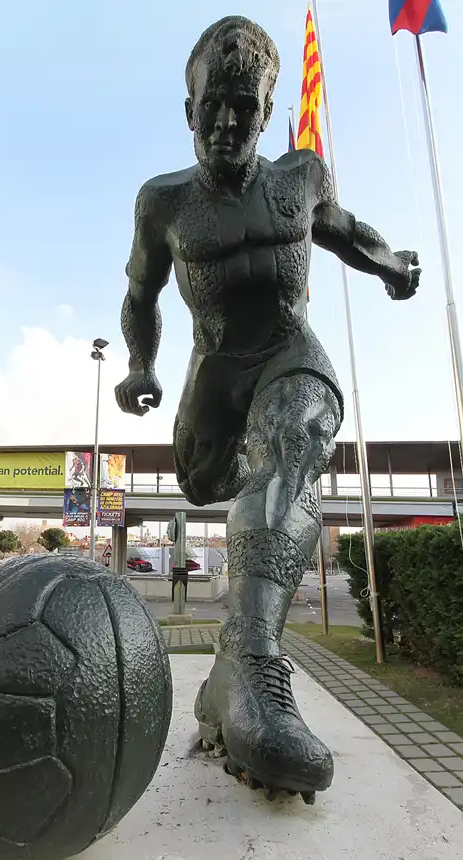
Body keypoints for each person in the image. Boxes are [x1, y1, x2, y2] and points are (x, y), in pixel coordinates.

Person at [115, 16, 420, 802]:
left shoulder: (299, 179)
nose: (226, 122)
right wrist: (140, 367)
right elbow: (140, 294)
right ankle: (226, 685)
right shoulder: (164, 203)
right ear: (188, 110)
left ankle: (252, 670)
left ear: (266, 110)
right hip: (215, 376)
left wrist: (390, 264)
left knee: (292, 451)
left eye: (244, 107)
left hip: (291, 352)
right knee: (221, 480)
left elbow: (346, 233)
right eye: (212, 104)